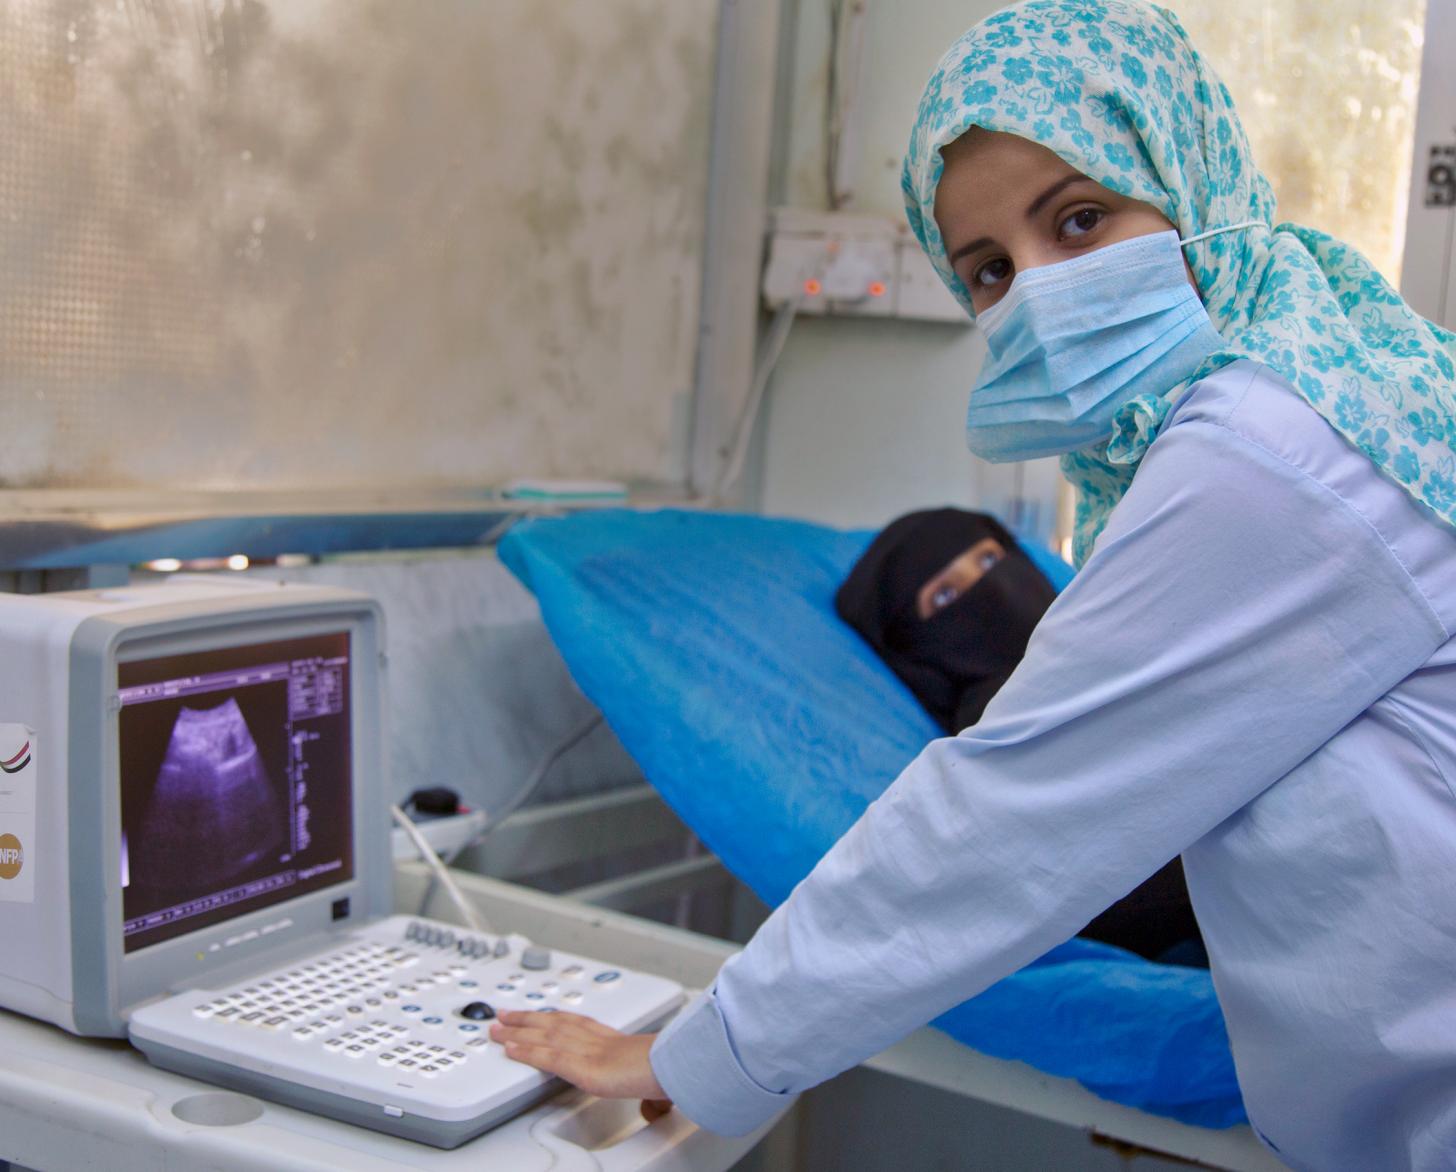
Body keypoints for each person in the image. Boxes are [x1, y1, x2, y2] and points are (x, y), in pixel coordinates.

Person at [491, 3, 1456, 1167]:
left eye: (1081, 218)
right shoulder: (1345, 381)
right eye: (990, 269)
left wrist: (698, 1052)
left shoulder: (1265, 450)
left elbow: (1002, 820)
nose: (1038, 294)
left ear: (1190, 185)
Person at [834, 505, 1205, 965]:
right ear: (916, 643)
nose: (986, 589)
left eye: (989, 560)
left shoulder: (1111, 631)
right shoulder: (993, 722)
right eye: (945, 596)